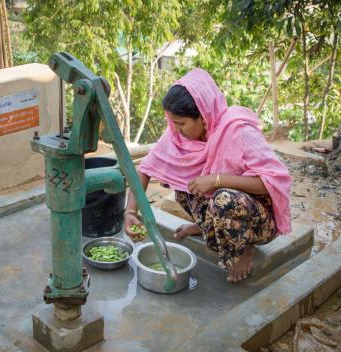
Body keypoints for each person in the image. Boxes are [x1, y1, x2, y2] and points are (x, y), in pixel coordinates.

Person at [124, 69, 292, 283]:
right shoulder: (177, 137)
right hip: (223, 209)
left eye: (181, 123)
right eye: (172, 122)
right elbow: (145, 170)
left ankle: (244, 248)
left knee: (224, 199)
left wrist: (216, 179)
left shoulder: (238, 132)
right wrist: (130, 212)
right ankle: (206, 227)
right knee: (186, 188)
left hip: (258, 221)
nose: (175, 129)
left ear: (203, 117)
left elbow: (274, 182)